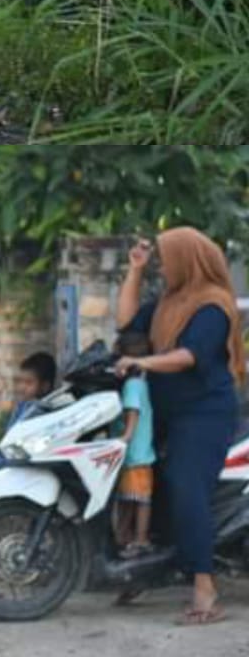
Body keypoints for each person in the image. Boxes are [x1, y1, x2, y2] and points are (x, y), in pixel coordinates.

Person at [116, 227, 244, 625]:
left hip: (204, 413)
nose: (162, 267)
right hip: (166, 410)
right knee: (145, 483)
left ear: (188, 261)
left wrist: (143, 362)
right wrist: (135, 270)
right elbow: (127, 323)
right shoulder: (169, 302)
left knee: (187, 486)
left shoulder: (212, 306)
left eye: (166, 260)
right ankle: (145, 570)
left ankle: (205, 588)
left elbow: (189, 356)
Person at [112, 331, 156, 557]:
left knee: (138, 499)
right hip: (138, 453)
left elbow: (133, 412)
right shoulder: (140, 383)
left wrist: (125, 437)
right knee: (130, 497)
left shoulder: (132, 386)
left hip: (135, 454)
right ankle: (125, 538)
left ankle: (140, 539)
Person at [0, 350, 56, 470]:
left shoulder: (41, 410)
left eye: (29, 383)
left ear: (45, 386)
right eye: (21, 382)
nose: (22, 387)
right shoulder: (23, 406)